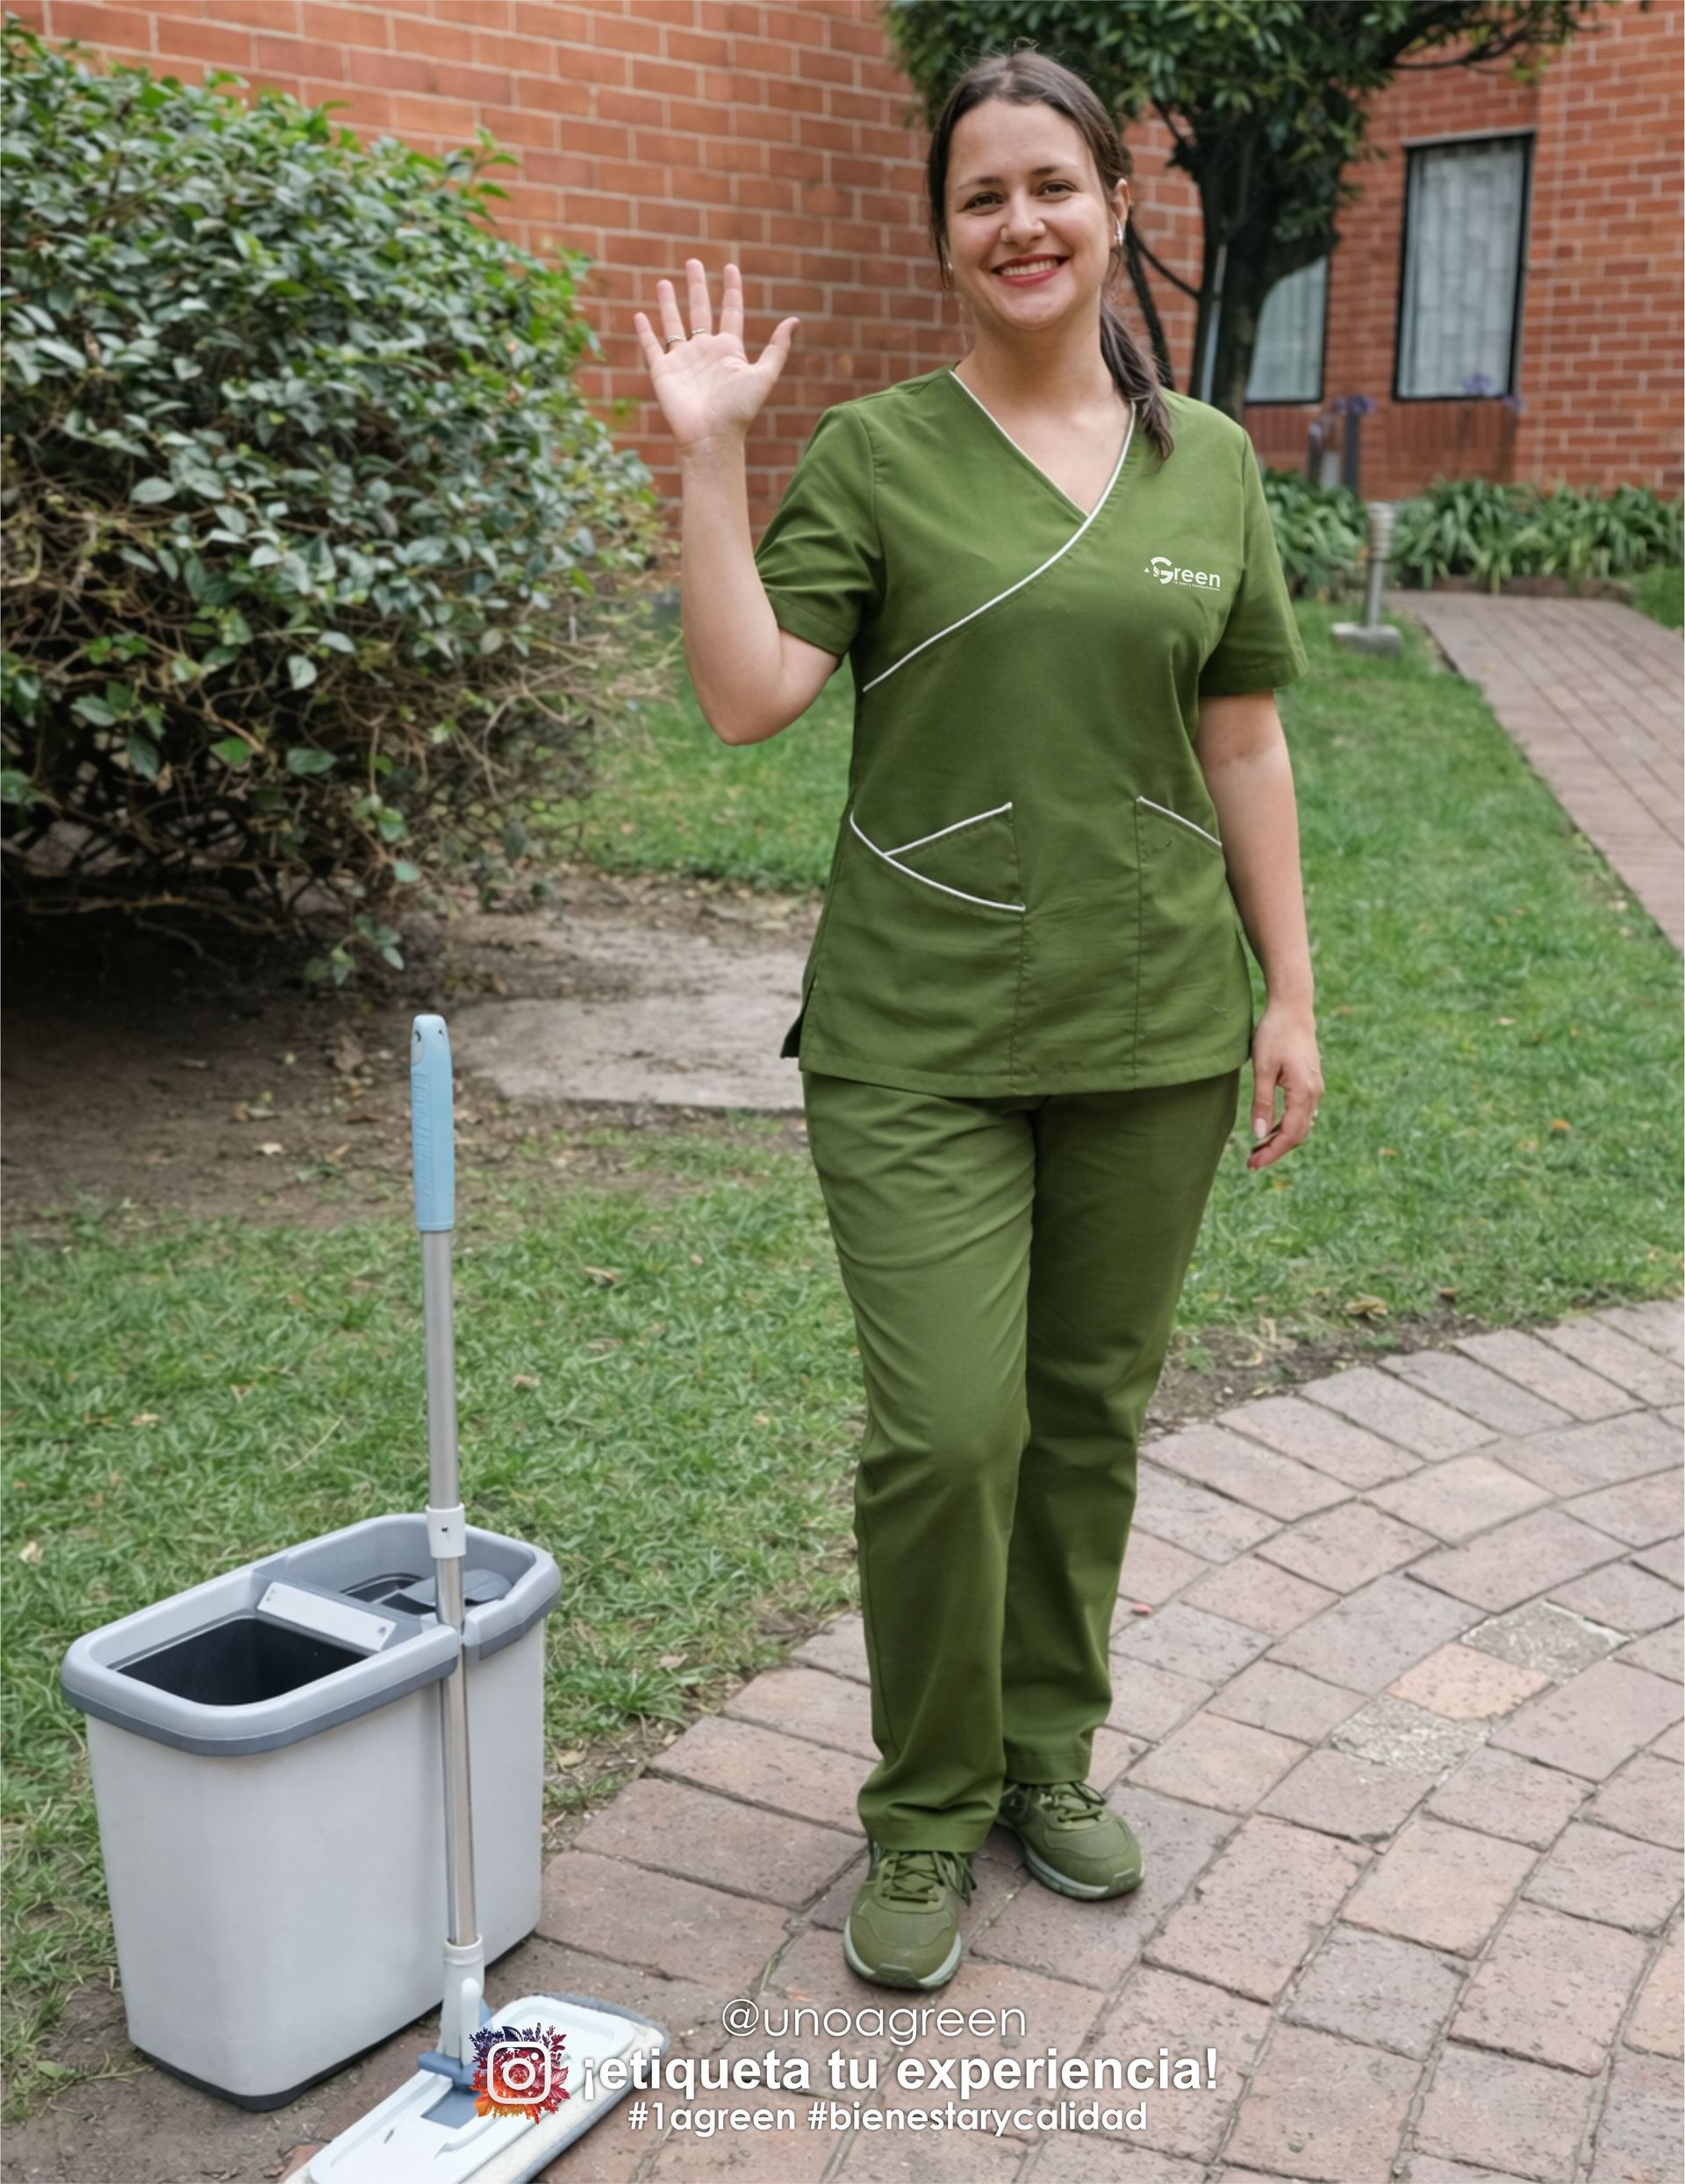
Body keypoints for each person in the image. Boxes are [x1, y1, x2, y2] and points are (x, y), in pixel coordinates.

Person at [633, 47, 1323, 1993]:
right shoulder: (877, 455)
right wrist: (708, 455)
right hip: (917, 1035)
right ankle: (926, 1807)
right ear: (945, 235)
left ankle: (1045, 1758)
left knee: (1088, 1420)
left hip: (1155, 1026)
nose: (1021, 223)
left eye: (1052, 185)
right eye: (980, 196)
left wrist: (1290, 992)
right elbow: (753, 693)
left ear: (1118, 204)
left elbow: (1247, 738)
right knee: (949, 1432)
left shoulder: (1210, 471)